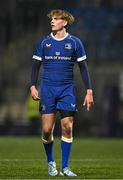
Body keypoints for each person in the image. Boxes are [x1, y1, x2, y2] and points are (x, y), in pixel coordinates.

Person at [30, 9, 94, 177]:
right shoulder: (44, 42)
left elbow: (84, 68)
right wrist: (32, 86)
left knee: (67, 127)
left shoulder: (75, 42)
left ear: (64, 22)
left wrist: (89, 91)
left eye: (56, 19)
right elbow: (36, 66)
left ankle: (65, 167)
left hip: (67, 90)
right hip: (48, 89)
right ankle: (51, 162)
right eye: (52, 18)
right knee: (46, 130)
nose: (52, 21)